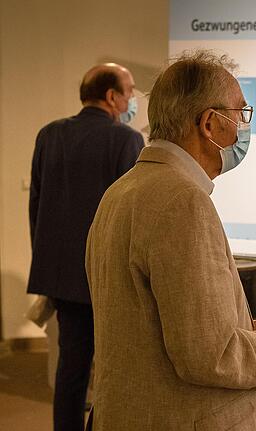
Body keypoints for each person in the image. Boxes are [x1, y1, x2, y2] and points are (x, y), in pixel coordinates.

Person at [85, 51, 256, 430]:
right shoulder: (183, 201)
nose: (243, 129)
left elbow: (154, 320)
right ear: (209, 124)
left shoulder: (121, 191)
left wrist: (245, 326)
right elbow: (208, 354)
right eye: (241, 114)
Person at [27, 62, 143, 431]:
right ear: (112, 97)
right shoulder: (126, 140)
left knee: (71, 368)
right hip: (108, 278)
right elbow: (129, 215)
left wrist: (49, 262)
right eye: (130, 91)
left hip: (62, 277)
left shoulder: (49, 135)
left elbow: (37, 205)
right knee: (114, 371)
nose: (132, 98)